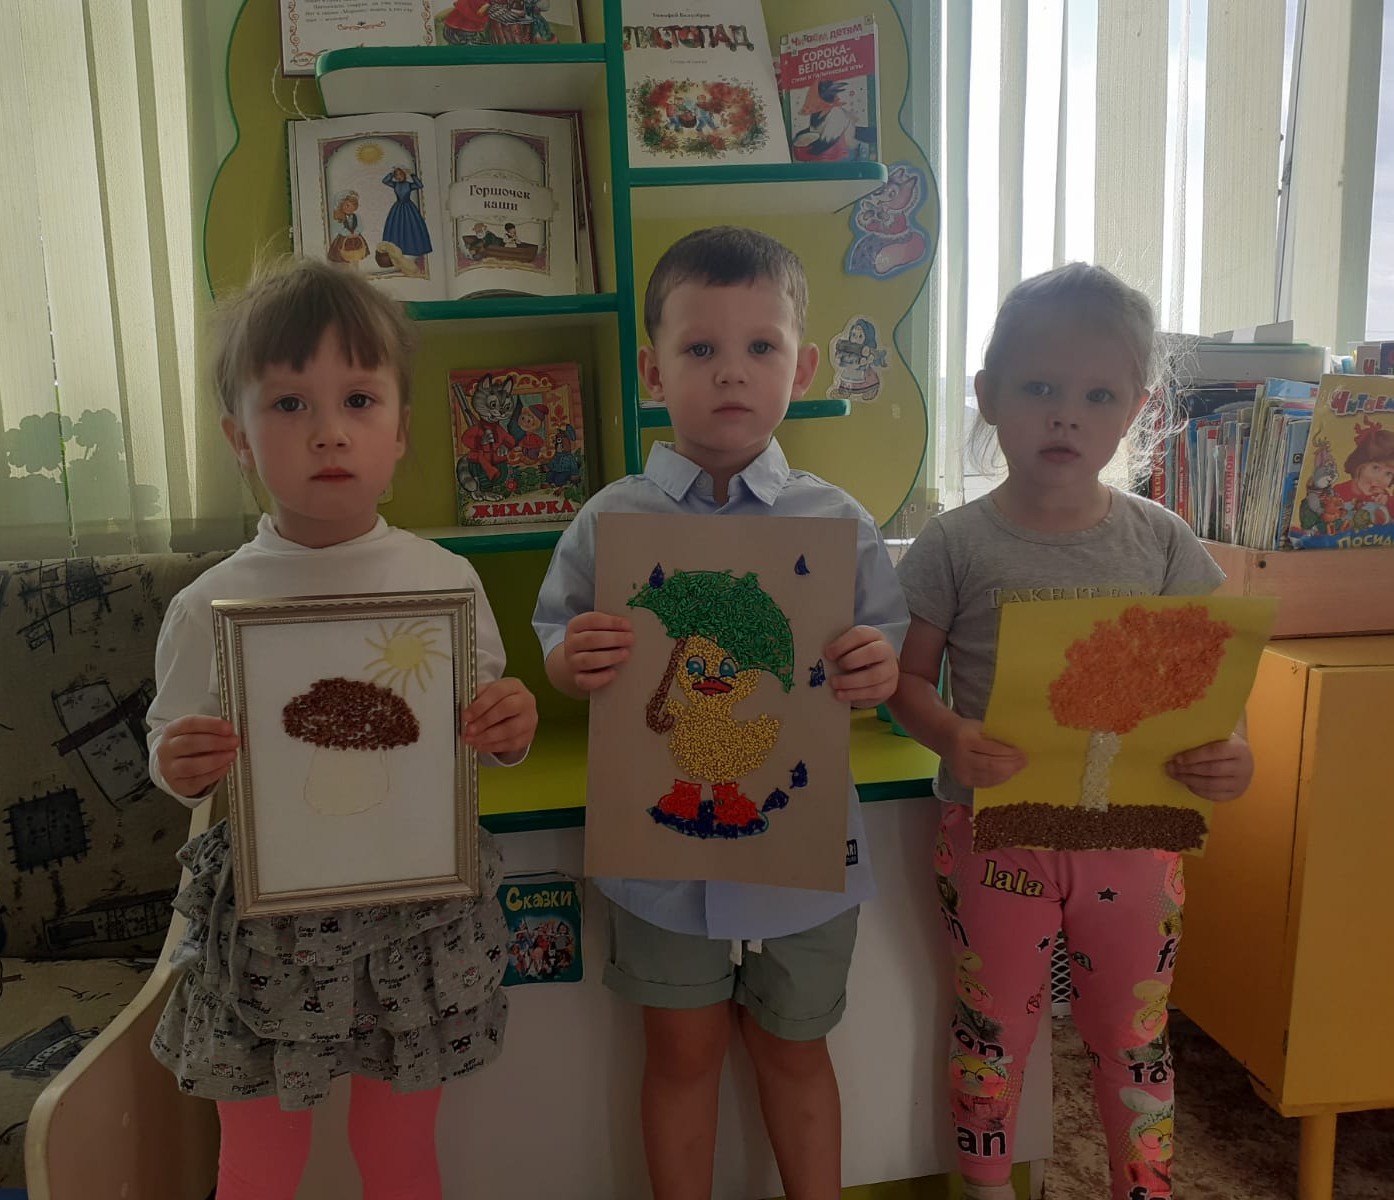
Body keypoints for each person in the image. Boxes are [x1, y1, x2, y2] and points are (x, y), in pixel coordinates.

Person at [146, 257, 538, 1200]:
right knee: (260, 1160)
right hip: (269, 922)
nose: (328, 430)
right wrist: (179, 761)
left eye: (359, 400)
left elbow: (484, 732)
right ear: (240, 438)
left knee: (398, 1152)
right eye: (289, 405)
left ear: (400, 430)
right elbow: (170, 745)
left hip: (414, 913)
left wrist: (509, 725)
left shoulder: (445, 583)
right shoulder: (210, 605)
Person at [532, 225, 907, 1200]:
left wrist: (875, 667)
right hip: (659, 860)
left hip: (804, 856)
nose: (731, 372)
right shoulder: (610, 522)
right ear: (653, 370)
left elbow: (883, 655)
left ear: (802, 368)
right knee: (680, 1055)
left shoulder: (838, 523)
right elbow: (559, 645)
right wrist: (574, 659)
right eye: (701, 348)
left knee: (796, 1049)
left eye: (760, 347)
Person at [885, 262, 1254, 1200]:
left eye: (1096, 396)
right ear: (988, 396)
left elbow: (1211, 684)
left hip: (1134, 841)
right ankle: (987, 1186)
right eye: (1039, 389)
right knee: (994, 1028)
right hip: (996, 835)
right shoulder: (955, 542)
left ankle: (1145, 1187)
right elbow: (902, 683)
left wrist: (1232, 751)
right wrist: (950, 735)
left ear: (1135, 410)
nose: (1066, 416)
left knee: (1133, 1035)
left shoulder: (1162, 540)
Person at [380, 166, 433, 258]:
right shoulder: (395, 185)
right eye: (396, 175)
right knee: (396, 228)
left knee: (411, 227)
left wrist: (412, 175)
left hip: (409, 208)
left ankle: (411, 249)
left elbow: (420, 185)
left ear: (404, 175)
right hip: (397, 209)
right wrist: (391, 173)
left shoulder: (409, 185)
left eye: (400, 174)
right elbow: (385, 181)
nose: (398, 176)